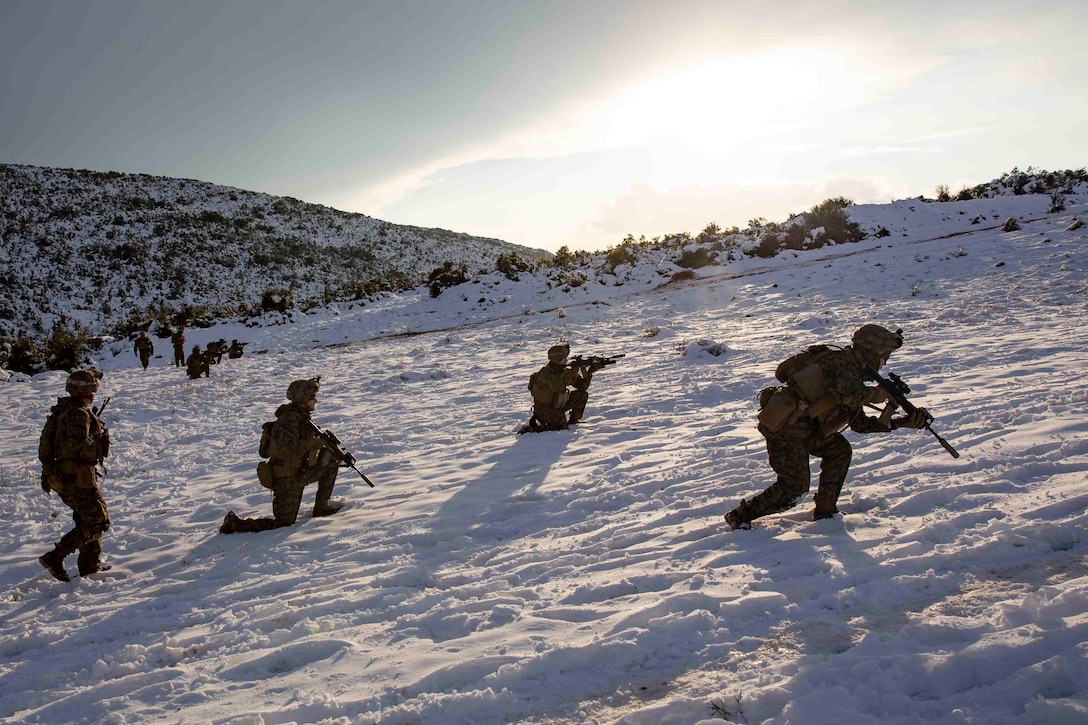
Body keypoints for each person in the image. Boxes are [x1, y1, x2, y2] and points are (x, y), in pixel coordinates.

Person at [724, 324, 930, 530]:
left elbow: (860, 424)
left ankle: (826, 511)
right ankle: (740, 516)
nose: (883, 364)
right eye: (883, 357)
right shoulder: (841, 362)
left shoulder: (854, 375)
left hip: (808, 428)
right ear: (870, 352)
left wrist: (904, 422)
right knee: (794, 486)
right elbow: (851, 396)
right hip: (786, 429)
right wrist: (880, 394)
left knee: (839, 451)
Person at [220, 378, 344, 533]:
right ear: (303, 398)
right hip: (287, 478)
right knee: (283, 524)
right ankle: (234, 523)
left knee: (332, 461)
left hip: (301, 473)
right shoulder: (288, 420)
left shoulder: (302, 417)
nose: (316, 401)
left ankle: (322, 507)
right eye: (312, 397)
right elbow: (289, 449)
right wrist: (313, 443)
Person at [37, 369, 112, 580]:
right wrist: (98, 435)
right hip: (76, 478)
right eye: (91, 390)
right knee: (98, 520)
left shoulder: (63, 411)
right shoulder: (77, 413)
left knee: (86, 518)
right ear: (83, 391)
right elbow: (76, 445)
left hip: (68, 476)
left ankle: (89, 564)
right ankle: (55, 556)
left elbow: (47, 448)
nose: (93, 395)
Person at [525, 343, 602, 431]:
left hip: (558, 405)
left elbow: (582, 387)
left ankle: (574, 421)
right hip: (544, 410)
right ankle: (531, 430)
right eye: (563, 358)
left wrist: (589, 373)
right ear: (557, 360)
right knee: (562, 428)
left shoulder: (563, 371)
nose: (566, 360)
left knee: (581, 394)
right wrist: (573, 372)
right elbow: (559, 385)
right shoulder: (544, 374)